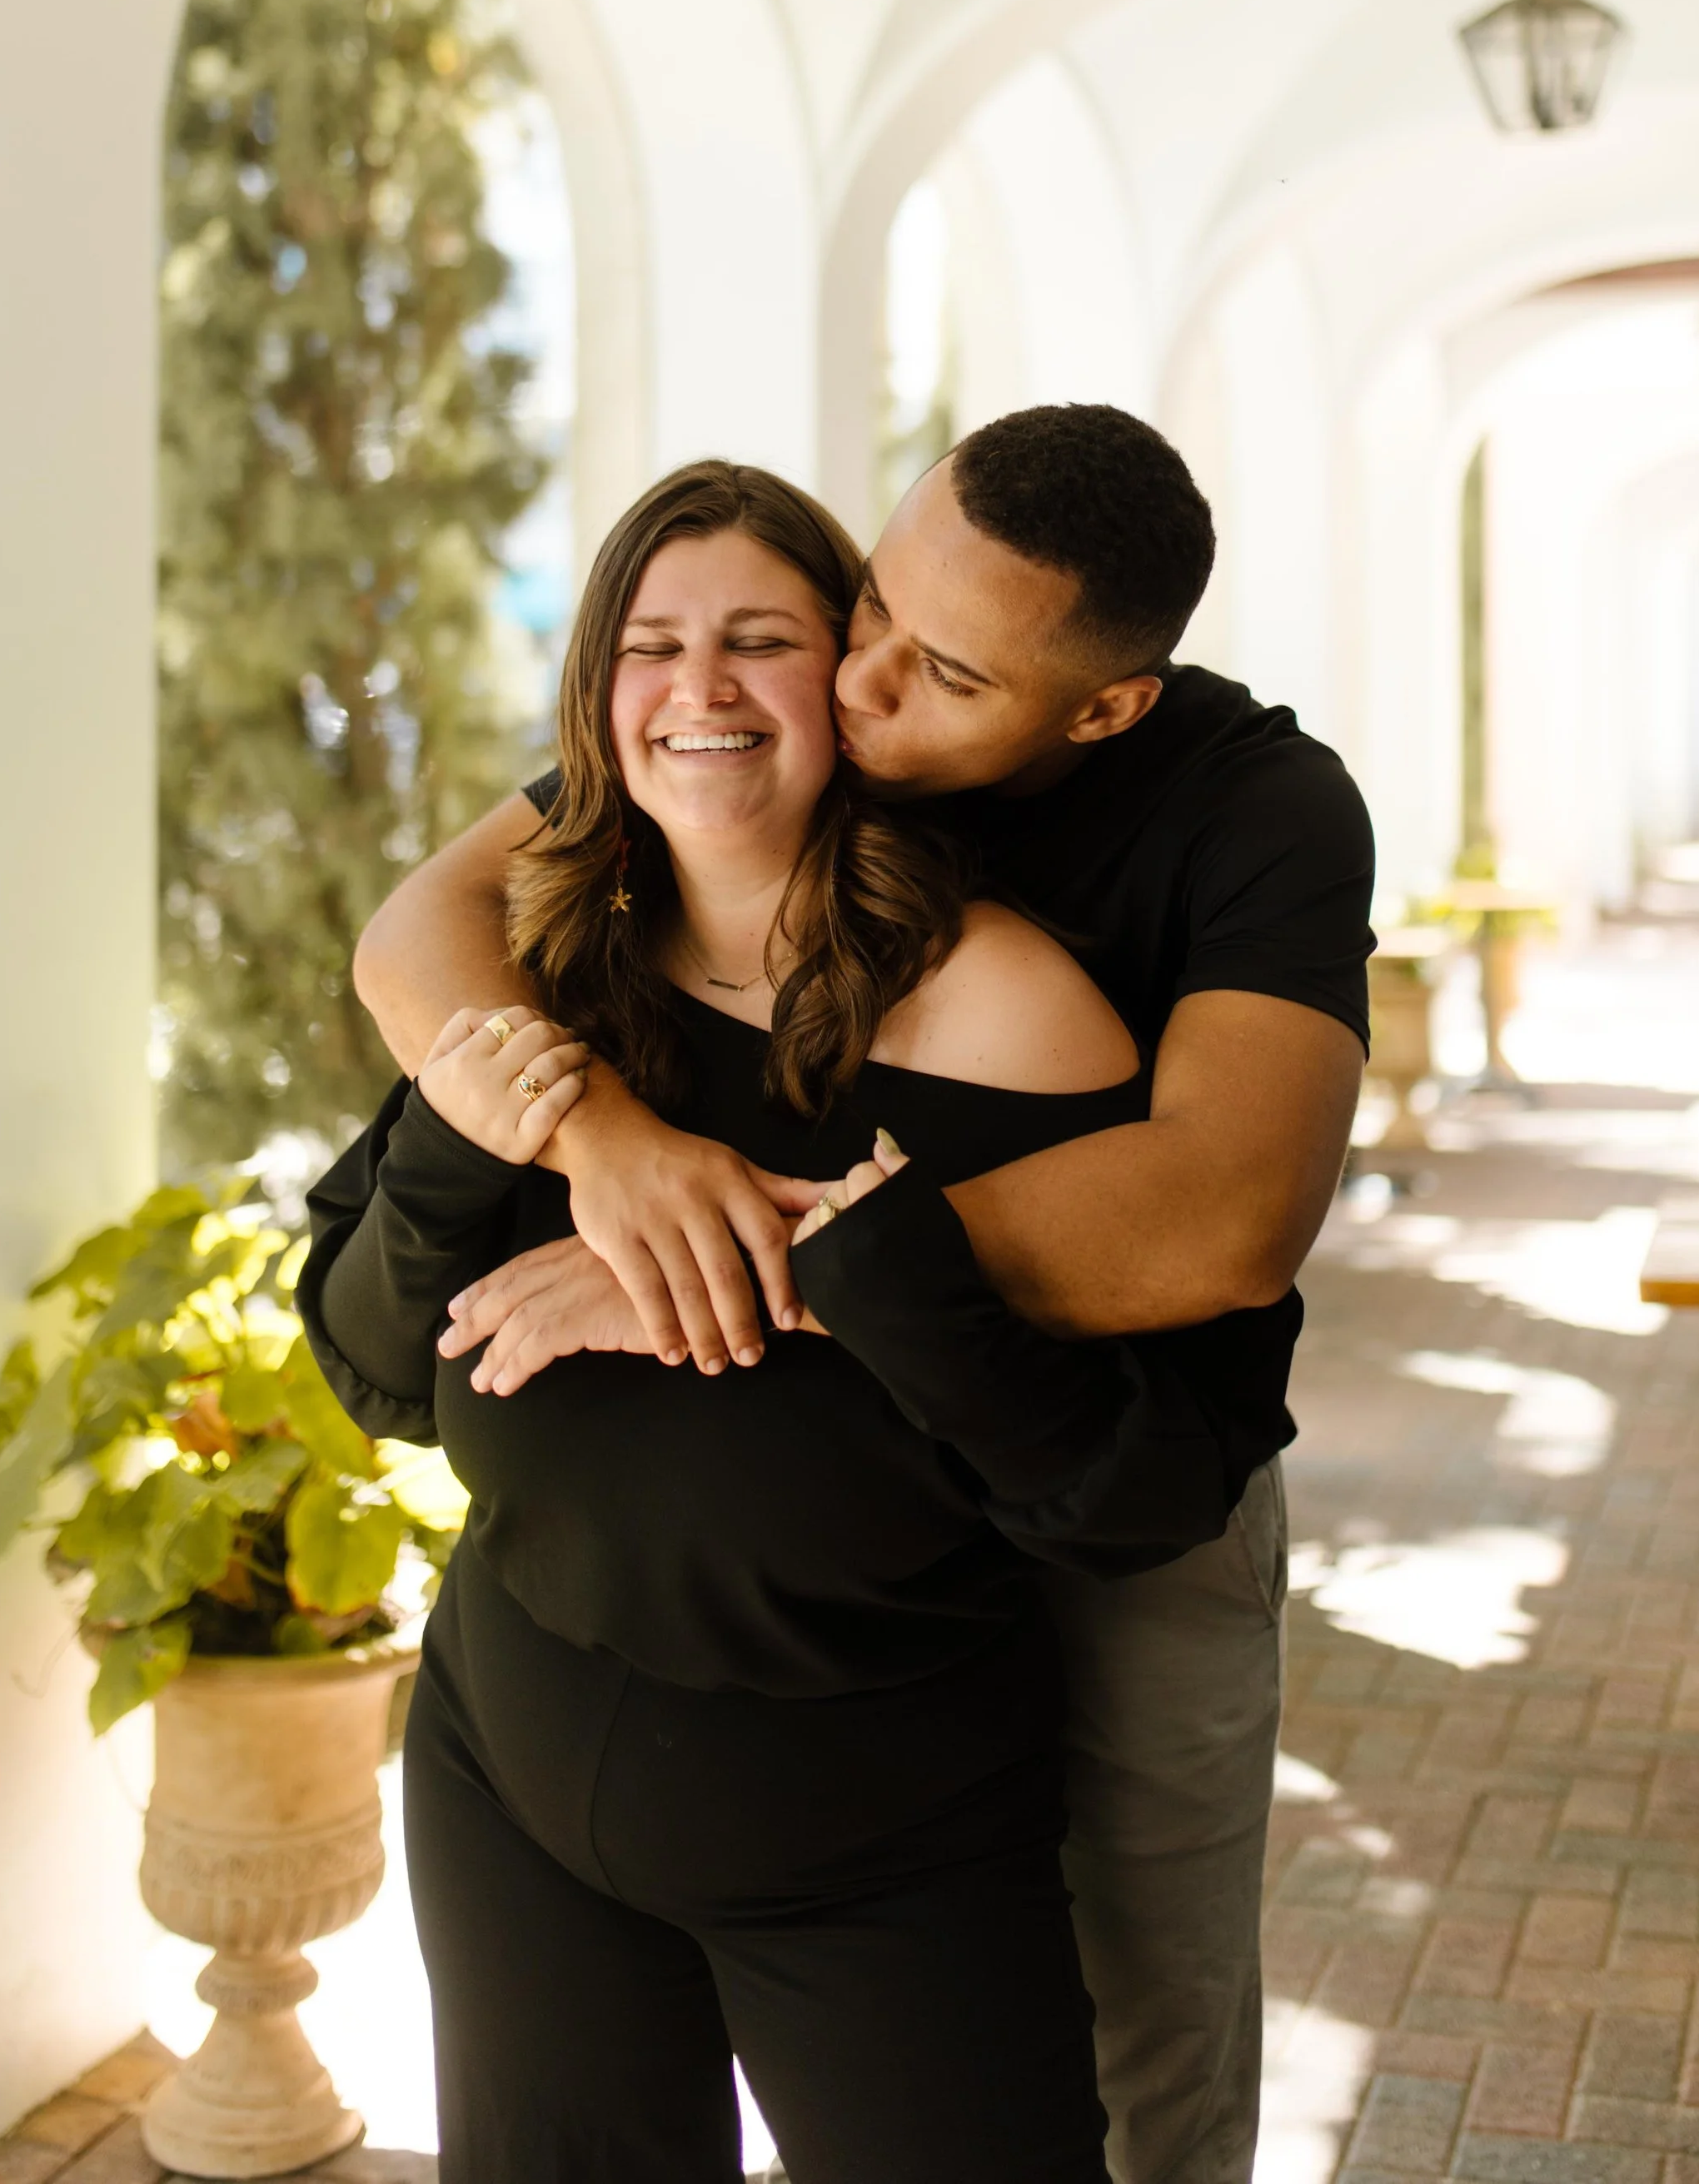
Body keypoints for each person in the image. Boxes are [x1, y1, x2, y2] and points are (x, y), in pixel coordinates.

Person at [357, 403, 1375, 2184]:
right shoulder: (761, 724)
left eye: (945, 671)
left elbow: (1220, 1219)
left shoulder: (1250, 813)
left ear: (1099, 709)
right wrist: (611, 1148)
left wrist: (736, 1257)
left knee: (1140, 2036)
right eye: (870, 610)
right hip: (615, 1700)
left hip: (1130, 1459)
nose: (865, 683)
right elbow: (419, 930)